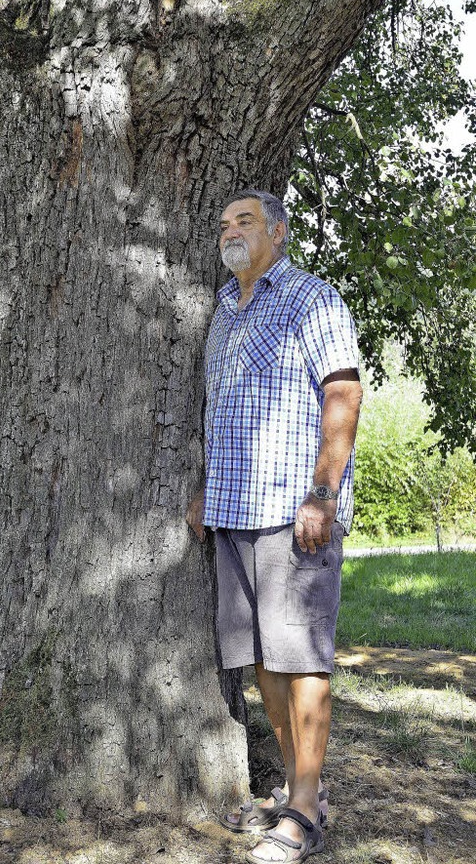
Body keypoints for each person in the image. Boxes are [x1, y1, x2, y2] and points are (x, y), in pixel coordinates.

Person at [186, 189, 362, 864]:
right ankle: (302, 792)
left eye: (245, 220)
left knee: (302, 657)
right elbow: (220, 410)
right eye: (224, 221)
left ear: (279, 231)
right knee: (261, 660)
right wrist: (207, 491)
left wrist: (323, 492)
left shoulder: (311, 298)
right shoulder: (223, 313)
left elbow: (342, 391)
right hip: (232, 513)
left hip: (295, 516)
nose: (230, 230)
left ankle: (303, 816)